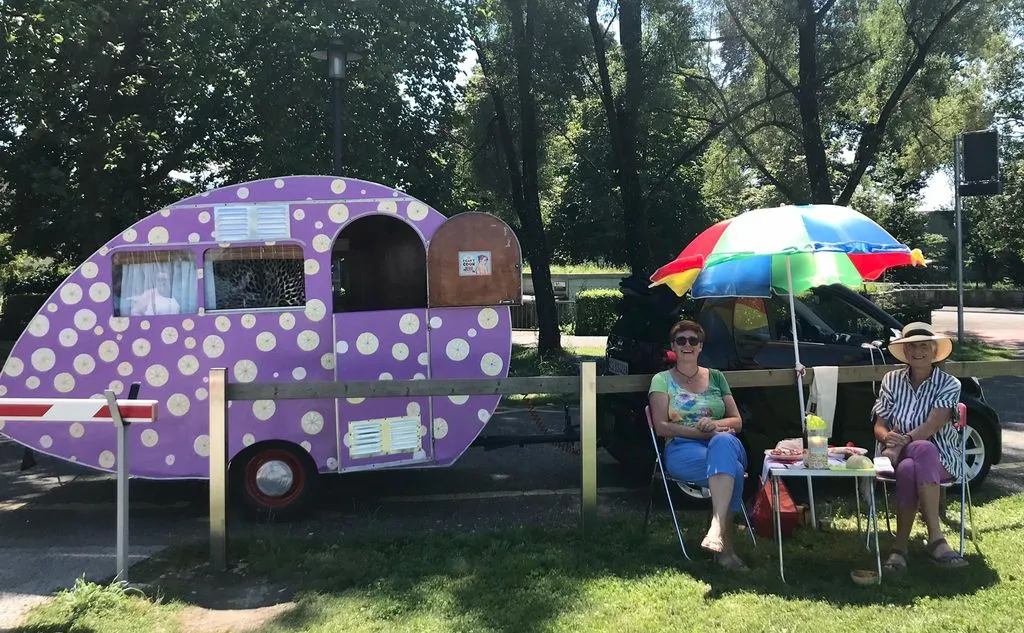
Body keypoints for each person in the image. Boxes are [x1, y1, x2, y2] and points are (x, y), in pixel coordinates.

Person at [648, 319, 749, 571]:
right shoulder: (661, 380)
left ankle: (716, 527)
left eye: (693, 340)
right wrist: (700, 432)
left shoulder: (716, 377)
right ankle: (726, 552)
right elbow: (661, 426)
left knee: (724, 440)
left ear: (701, 346)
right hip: (682, 449)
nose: (687, 345)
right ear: (673, 345)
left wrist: (714, 427)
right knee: (734, 471)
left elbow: (736, 422)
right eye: (681, 340)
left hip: (724, 442)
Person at [871, 322, 968, 572]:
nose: (917, 351)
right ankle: (936, 541)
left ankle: (899, 547)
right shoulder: (891, 380)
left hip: (940, 458)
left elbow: (932, 426)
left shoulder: (949, 383)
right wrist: (886, 439)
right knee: (917, 454)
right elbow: (879, 425)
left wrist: (900, 443)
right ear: (905, 352)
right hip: (894, 450)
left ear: (934, 352)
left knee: (914, 462)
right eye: (912, 346)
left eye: (924, 346)